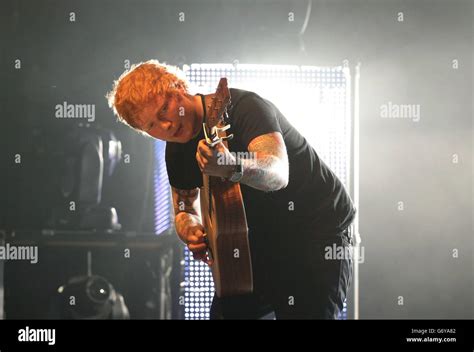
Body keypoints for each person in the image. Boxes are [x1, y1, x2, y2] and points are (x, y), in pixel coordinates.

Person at [107, 60, 356, 319]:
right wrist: (189, 228)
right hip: (253, 245)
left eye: (164, 110)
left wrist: (231, 165)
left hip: (315, 232)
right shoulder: (176, 150)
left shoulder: (244, 107)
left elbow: (278, 173)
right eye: (151, 126)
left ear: (178, 87)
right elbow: (183, 207)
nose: (166, 126)